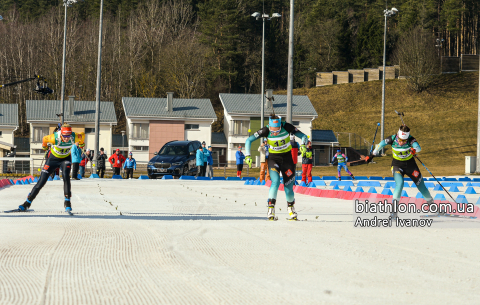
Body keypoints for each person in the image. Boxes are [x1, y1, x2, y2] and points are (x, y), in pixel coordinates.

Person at [245, 114, 308, 220]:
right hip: (274, 159)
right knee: (275, 181)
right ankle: (271, 209)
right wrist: (247, 155)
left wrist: (303, 145)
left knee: (288, 187)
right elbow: (249, 140)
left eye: (277, 131)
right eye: (273, 131)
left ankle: (291, 209)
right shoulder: (265, 130)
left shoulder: (286, 127)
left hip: (287, 159)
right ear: (269, 126)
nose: (275, 133)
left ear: (280, 126)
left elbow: (303, 136)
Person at [366, 125, 434, 219]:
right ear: (398, 136)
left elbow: (418, 148)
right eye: (400, 140)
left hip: (410, 165)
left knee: (421, 185)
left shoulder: (411, 139)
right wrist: (372, 155)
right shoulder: (392, 139)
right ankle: (394, 212)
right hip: (397, 165)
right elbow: (381, 144)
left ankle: (433, 206)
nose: (402, 142)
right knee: (400, 184)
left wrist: (414, 150)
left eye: (404, 141)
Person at [16, 123, 84, 213]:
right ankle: (27, 203)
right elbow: (44, 139)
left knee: (66, 176)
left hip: (65, 159)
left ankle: (67, 202)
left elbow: (82, 135)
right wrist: (44, 146)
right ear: (61, 134)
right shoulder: (54, 138)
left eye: (68, 136)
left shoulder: (75, 136)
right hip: (53, 159)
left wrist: (82, 143)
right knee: (42, 181)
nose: (67, 138)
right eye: (64, 136)